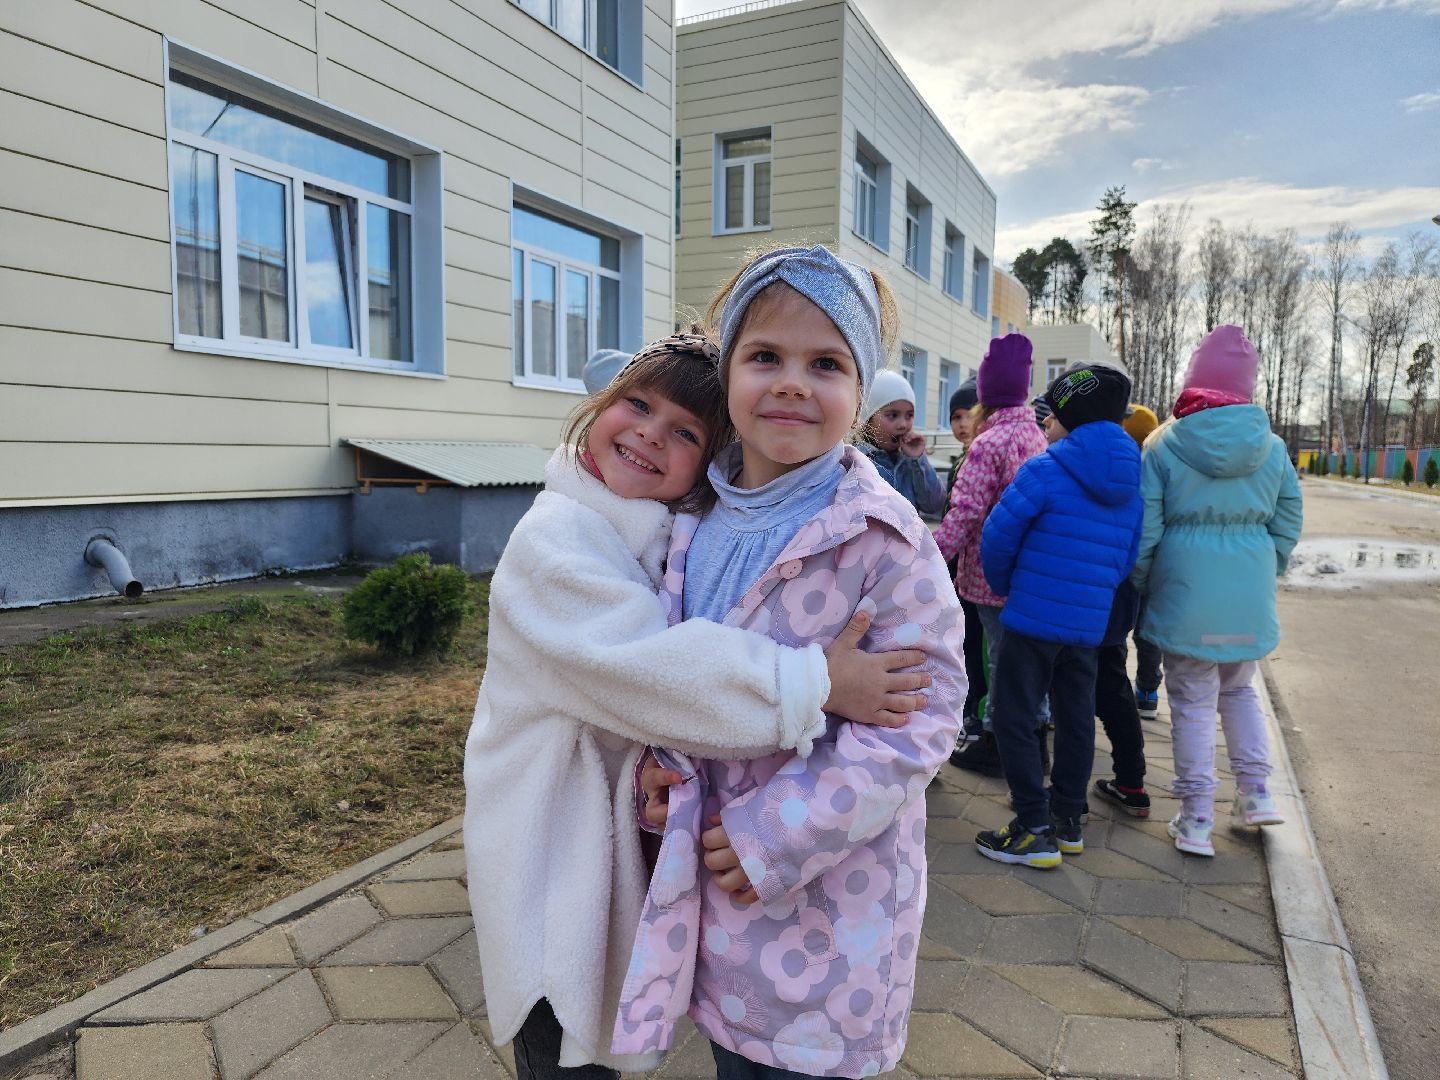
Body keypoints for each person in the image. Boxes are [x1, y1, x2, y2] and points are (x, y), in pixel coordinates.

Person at [462, 333, 932, 1080]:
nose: (651, 432)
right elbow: (653, 672)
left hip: (612, 838)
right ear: (598, 407)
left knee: (595, 1031)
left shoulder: (651, 531)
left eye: (684, 432)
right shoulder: (555, 541)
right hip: (551, 849)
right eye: (637, 405)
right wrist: (813, 682)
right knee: (559, 1033)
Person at [612, 245, 966, 1079]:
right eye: (765, 355)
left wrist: (778, 834)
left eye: (827, 363)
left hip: (829, 919)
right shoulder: (689, 519)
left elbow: (920, 722)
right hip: (708, 900)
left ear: (862, 388)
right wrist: (649, 778)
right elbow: (664, 674)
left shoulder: (883, 539)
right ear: (728, 367)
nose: (793, 382)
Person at [1132, 325, 1303, 857]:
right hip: (1247, 596)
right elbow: (1289, 518)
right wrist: (1265, 563)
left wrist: (1146, 581)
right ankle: (1255, 794)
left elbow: (1148, 530)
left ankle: (1196, 817)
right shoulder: (1272, 448)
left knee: (1191, 702)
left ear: (1193, 382)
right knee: (1240, 691)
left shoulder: (1163, 444)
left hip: (1186, 595)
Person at [972, 364, 1143, 867]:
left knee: (1015, 717)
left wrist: (1007, 590)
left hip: (1030, 621)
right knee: (1075, 718)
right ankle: (1068, 819)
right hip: (1088, 627)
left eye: (1054, 414)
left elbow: (998, 537)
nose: (1045, 423)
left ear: (1075, 417)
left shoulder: (1045, 469)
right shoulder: (1130, 482)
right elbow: (1128, 556)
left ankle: (1032, 826)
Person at [933, 334, 1047, 775]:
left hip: (988, 572)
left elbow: (966, 510)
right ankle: (1034, 741)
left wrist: (931, 556)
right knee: (1020, 662)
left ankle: (997, 742)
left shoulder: (989, 443)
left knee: (994, 659)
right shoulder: (1034, 435)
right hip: (1028, 571)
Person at [1091, 402, 1159, 819]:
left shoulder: (1099, 470)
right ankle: (1131, 779)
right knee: (1114, 685)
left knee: (1085, 690)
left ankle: (1068, 800)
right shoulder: (1142, 480)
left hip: (1088, 599)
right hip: (1121, 599)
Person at [943, 376, 986, 729]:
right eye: (955, 417)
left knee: (975, 641)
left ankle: (976, 707)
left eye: (966, 415)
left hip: (973, 564)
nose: (960, 425)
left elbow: (966, 512)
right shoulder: (962, 458)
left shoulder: (981, 457)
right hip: (958, 562)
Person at [855, 368, 947, 516]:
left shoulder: (909, 460)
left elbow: (935, 504)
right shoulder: (854, 461)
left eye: (909, 416)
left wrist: (918, 460)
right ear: (868, 419)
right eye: (893, 415)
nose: (903, 424)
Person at [1123, 404, 1164, 718]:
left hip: (1124, 562)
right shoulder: (1160, 467)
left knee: (1118, 630)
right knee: (1148, 630)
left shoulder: (1120, 467)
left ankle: (1116, 690)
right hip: (1156, 561)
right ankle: (1148, 690)